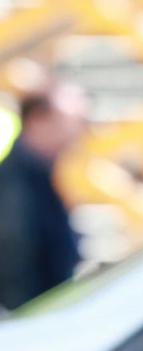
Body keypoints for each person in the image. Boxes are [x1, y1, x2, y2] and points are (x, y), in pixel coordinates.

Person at [0, 82, 88, 311]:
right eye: (69, 122)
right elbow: (18, 272)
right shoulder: (16, 186)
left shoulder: (37, 176)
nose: (77, 132)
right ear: (38, 120)